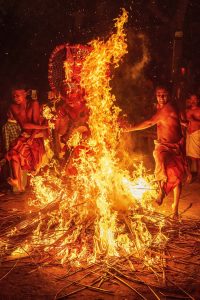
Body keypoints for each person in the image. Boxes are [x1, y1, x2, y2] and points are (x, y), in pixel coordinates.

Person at [125, 86, 187, 218]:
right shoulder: (161, 107)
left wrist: (128, 129)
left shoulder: (168, 108)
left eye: (164, 94)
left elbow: (149, 122)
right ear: (155, 95)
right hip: (163, 145)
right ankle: (161, 191)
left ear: (169, 95)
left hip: (175, 146)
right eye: (159, 95)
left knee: (176, 177)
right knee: (159, 159)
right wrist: (181, 121)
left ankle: (175, 208)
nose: (161, 97)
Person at [6, 87, 48, 192]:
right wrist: (43, 127)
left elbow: (36, 122)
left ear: (25, 94)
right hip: (25, 134)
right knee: (13, 153)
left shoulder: (34, 103)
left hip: (35, 134)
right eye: (14, 96)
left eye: (18, 95)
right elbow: (24, 125)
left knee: (34, 162)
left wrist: (32, 136)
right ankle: (17, 182)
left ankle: (31, 185)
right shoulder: (13, 107)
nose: (15, 98)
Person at [184, 94, 200, 181]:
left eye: (195, 99)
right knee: (188, 156)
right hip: (189, 134)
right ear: (189, 100)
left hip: (197, 134)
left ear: (198, 100)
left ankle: (198, 175)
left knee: (198, 157)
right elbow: (187, 122)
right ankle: (189, 174)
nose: (193, 101)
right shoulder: (187, 111)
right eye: (191, 99)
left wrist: (193, 120)